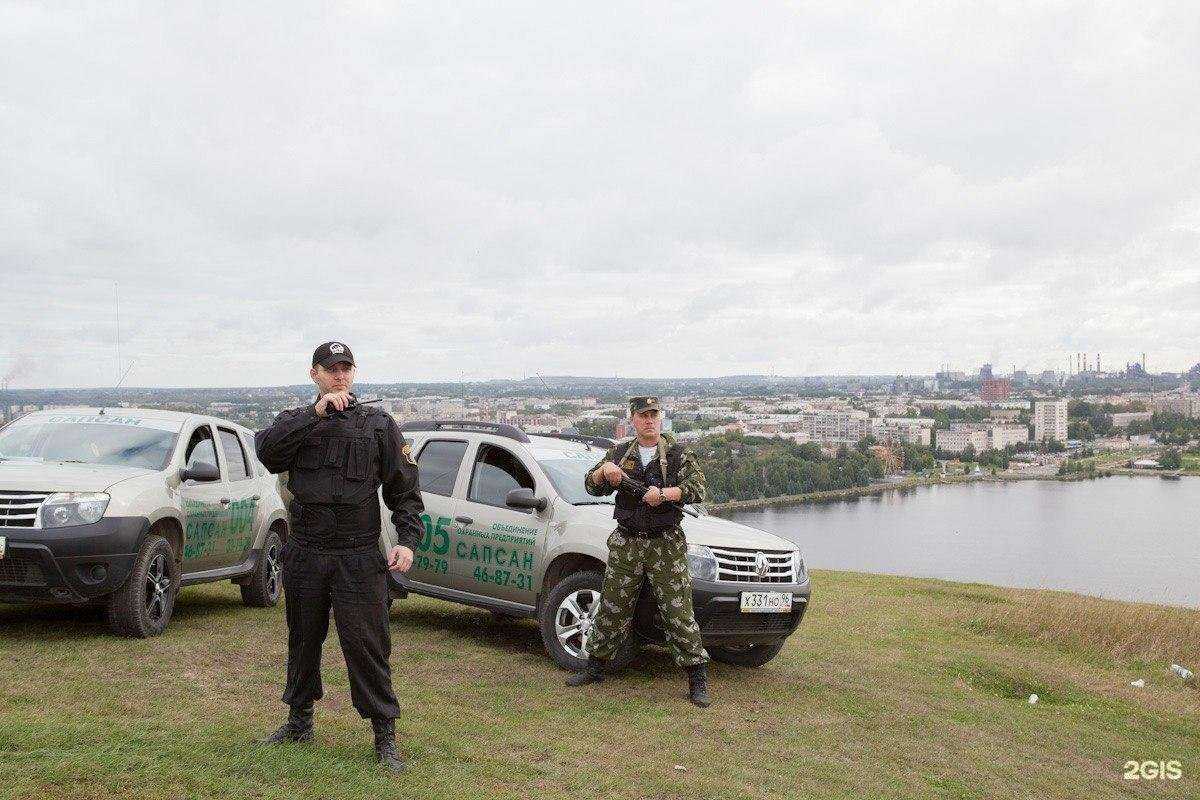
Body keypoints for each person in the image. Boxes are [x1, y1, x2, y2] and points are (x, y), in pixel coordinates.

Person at [254, 341, 423, 774]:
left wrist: (406, 539)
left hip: (357, 553)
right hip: (307, 550)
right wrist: (316, 415)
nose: (340, 376)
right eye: (331, 369)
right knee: (303, 638)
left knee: (367, 644)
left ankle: (384, 733)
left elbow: (404, 487)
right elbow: (268, 453)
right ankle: (299, 720)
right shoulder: (296, 422)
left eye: (346, 369)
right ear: (315, 374)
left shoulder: (377, 424)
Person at [566, 395, 712, 707]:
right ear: (632, 419)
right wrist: (604, 472)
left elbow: (698, 489)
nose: (649, 420)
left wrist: (666, 494)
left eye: (654, 415)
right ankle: (594, 667)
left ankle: (697, 676)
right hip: (627, 541)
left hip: (665, 543)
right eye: (643, 415)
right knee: (612, 606)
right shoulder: (619, 452)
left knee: (678, 612)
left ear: (661, 417)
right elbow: (591, 486)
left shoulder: (677, 454)